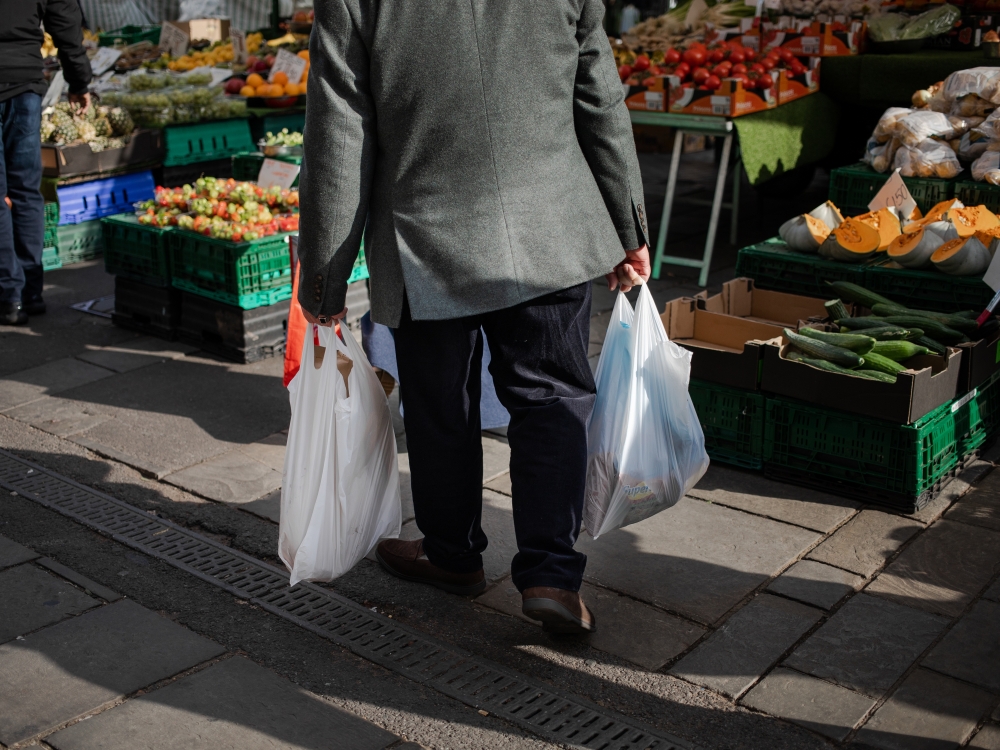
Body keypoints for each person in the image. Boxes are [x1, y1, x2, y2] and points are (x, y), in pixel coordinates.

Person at [297, 0, 650, 635]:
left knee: (440, 407)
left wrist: (324, 278)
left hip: (424, 235)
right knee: (552, 398)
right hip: (550, 226)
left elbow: (340, 137)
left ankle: (452, 553)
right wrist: (629, 227)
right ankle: (552, 576)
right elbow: (599, 98)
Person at [0, 0, 92, 326]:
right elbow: (65, 20)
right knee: (25, 188)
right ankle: (30, 292)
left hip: (22, 80)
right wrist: (79, 80)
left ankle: (9, 296)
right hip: (23, 83)